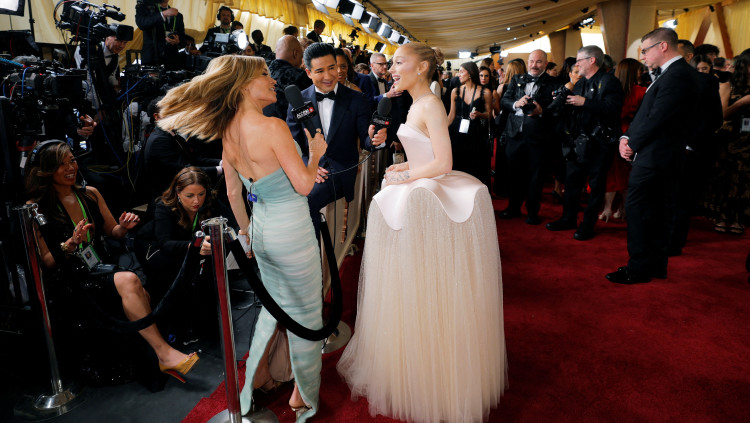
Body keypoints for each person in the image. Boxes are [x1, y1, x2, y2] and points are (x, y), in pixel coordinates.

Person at [337, 42, 507, 423]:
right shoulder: (415, 103)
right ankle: (417, 364)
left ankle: (435, 374)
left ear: (423, 67)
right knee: (412, 286)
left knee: (428, 287)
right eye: (392, 62)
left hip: (427, 197)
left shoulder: (429, 104)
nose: (392, 68)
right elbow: (423, 150)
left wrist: (406, 174)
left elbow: (443, 162)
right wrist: (403, 164)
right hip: (416, 188)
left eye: (399, 62)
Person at [156, 54, 328, 421]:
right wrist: (315, 155)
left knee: (274, 309)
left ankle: (257, 379)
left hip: (262, 232)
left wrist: (247, 234)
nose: (273, 80)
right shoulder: (273, 126)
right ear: (244, 85)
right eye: (264, 74)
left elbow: (234, 193)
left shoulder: (229, 133)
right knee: (307, 312)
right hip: (291, 232)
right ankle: (302, 396)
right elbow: (303, 185)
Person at [25, 141, 199, 382]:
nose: (70, 168)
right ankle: (164, 354)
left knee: (140, 293)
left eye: (72, 161)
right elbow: (47, 261)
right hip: (69, 277)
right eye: (62, 164)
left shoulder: (90, 194)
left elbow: (113, 232)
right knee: (130, 281)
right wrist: (70, 244)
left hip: (98, 267)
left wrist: (124, 227)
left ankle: (158, 355)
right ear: (47, 169)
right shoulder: (36, 208)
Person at [606, 28, 700, 284]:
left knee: (640, 210)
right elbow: (646, 115)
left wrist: (632, 143)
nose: (643, 56)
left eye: (646, 50)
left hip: (657, 156)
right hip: (658, 154)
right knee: (658, 211)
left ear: (663, 47)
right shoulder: (671, 74)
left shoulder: (678, 75)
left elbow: (658, 118)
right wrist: (626, 138)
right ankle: (655, 265)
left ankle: (638, 267)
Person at [285, 43, 385, 239]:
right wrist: (307, 166)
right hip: (306, 170)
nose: (329, 76)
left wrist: (375, 139)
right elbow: (292, 143)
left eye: (332, 68)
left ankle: (311, 254)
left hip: (340, 170)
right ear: (308, 73)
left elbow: (366, 140)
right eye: (320, 71)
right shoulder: (298, 101)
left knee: (307, 200)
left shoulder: (357, 99)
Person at [546, 45, 624, 241]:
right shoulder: (579, 83)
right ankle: (568, 218)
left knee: (596, 186)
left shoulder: (610, 82)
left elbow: (614, 108)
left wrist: (585, 102)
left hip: (600, 144)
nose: (576, 64)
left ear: (592, 60)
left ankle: (588, 225)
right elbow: (573, 108)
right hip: (579, 142)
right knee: (572, 182)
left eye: (579, 60)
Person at [498, 49, 556, 224]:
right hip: (515, 134)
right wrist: (516, 103)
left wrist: (542, 111)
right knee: (514, 174)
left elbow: (557, 109)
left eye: (538, 62)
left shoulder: (553, 83)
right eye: (531, 61)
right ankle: (513, 207)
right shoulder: (517, 79)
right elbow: (504, 101)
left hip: (538, 137)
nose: (534, 65)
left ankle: (532, 211)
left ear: (545, 64)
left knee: (535, 177)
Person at [702, 54, 750, 236]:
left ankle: (738, 219)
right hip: (730, 139)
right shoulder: (728, 85)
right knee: (726, 178)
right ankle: (722, 217)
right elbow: (722, 114)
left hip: (749, 140)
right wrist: (741, 103)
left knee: (744, 181)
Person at [143, 97, 222, 205]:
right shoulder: (159, 140)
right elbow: (182, 169)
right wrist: (219, 170)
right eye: (170, 112)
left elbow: (193, 158)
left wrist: (220, 163)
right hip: (169, 202)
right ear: (157, 117)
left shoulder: (171, 135)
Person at [599, 58, 647, 222]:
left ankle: (607, 209)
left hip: (611, 134)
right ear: (633, 72)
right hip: (631, 134)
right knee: (627, 173)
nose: (642, 73)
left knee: (612, 173)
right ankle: (623, 208)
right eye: (639, 70)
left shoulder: (611, 90)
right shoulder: (641, 91)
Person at [447, 61, 493, 186]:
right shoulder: (455, 91)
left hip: (476, 133)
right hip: (456, 133)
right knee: (457, 166)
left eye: (462, 72)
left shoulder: (485, 92)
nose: (459, 75)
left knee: (475, 166)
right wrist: (441, 131)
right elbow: (451, 115)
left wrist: (480, 114)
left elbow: (490, 114)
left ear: (471, 73)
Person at [262, 35, 310, 119]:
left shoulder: (262, 74)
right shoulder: (300, 76)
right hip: (289, 125)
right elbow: (307, 113)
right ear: (295, 53)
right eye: (301, 55)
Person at [135, 0, 185, 70]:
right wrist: (163, 14)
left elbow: (183, 39)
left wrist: (178, 41)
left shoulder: (178, 15)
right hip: (152, 58)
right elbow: (141, 23)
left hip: (172, 60)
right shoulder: (146, 8)